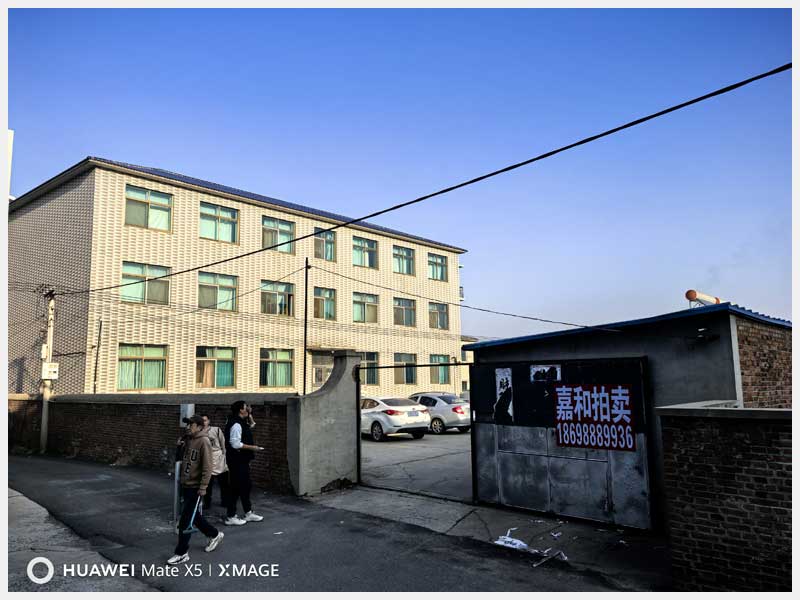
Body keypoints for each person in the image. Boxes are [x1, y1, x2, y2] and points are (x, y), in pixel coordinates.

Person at [167, 415, 224, 565]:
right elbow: (180, 461)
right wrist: (179, 446)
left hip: (195, 487)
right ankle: (214, 534)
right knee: (194, 516)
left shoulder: (204, 441)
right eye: (187, 424)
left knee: (185, 520)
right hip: (186, 484)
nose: (188, 427)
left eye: (191, 425)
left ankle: (182, 553)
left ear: (199, 427)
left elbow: (208, 467)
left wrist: (203, 487)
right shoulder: (188, 440)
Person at [224, 401, 264, 526]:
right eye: (246, 407)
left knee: (246, 486)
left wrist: (249, 414)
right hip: (237, 461)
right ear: (241, 410)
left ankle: (248, 512)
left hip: (242, 460)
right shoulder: (236, 424)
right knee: (235, 487)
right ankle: (231, 516)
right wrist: (253, 448)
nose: (249, 408)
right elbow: (235, 444)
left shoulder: (241, 422)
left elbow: (252, 425)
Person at [201, 414, 228, 510]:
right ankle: (207, 502)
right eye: (202, 420)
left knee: (223, 482)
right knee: (207, 483)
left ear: (209, 421)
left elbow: (223, 443)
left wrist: (224, 455)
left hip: (218, 457)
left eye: (205, 420)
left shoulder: (216, 430)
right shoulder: (199, 432)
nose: (204, 422)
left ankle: (225, 501)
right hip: (207, 458)